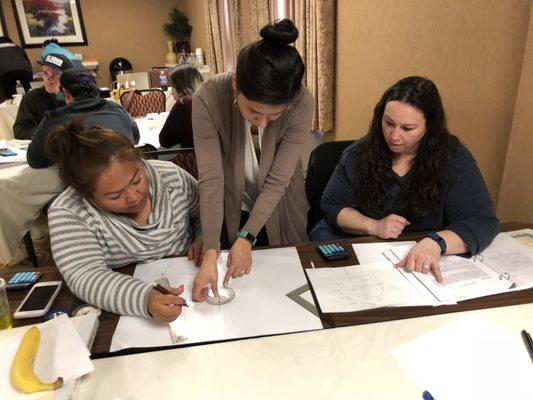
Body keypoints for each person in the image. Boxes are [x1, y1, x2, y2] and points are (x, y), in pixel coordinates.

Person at [309, 76, 499, 282]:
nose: (394, 136)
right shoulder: (358, 155)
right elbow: (331, 206)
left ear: (429, 126)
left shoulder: (453, 158)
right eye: (389, 123)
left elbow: (482, 221)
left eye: (408, 128)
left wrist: (436, 242)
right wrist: (373, 225)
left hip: (421, 263)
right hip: (362, 254)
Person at [191, 19, 314, 301]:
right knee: (237, 286)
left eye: (275, 115)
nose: (263, 123)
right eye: (255, 111)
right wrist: (211, 250)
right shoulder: (208, 98)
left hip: (280, 204)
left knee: (283, 286)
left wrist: (247, 237)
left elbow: (278, 180)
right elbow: (211, 178)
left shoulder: (301, 103)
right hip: (231, 200)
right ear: (236, 83)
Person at [46, 121, 202, 322]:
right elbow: (86, 276)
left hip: (190, 280)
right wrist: (144, 298)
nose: (133, 197)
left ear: (140, 161)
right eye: (114, 196)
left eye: (136, 180)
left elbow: (204, 212)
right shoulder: (69, 211)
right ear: (86, 195)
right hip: (122, 302)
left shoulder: (170, 176)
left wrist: (203, 235)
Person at [27, 68, 140, 168]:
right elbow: (135, 138)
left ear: (65, 92)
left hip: (82, 185)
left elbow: (35, 159)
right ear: (96, 91)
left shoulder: (54, 119)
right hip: (125, 175)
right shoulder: (118, 110)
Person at [13, 53, 73, 140]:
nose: (48, 78)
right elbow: (20, 130)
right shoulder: (31, 97)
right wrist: (49, 133)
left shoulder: (74, 96)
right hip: (42, 145)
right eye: (45, 73)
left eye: (55, 75)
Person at [159, 63, 203, 148]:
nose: (171, 92)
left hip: (191, 158)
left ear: (182, 86)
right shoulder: (206, 98)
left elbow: (164, 141)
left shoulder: (184, 103)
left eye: (173, 86)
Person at [0, 36, 32, 101]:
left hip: (5, 74)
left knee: (12, 97)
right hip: (24, 72)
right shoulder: (19, 48)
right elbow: (28, 63)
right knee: (28, 95)